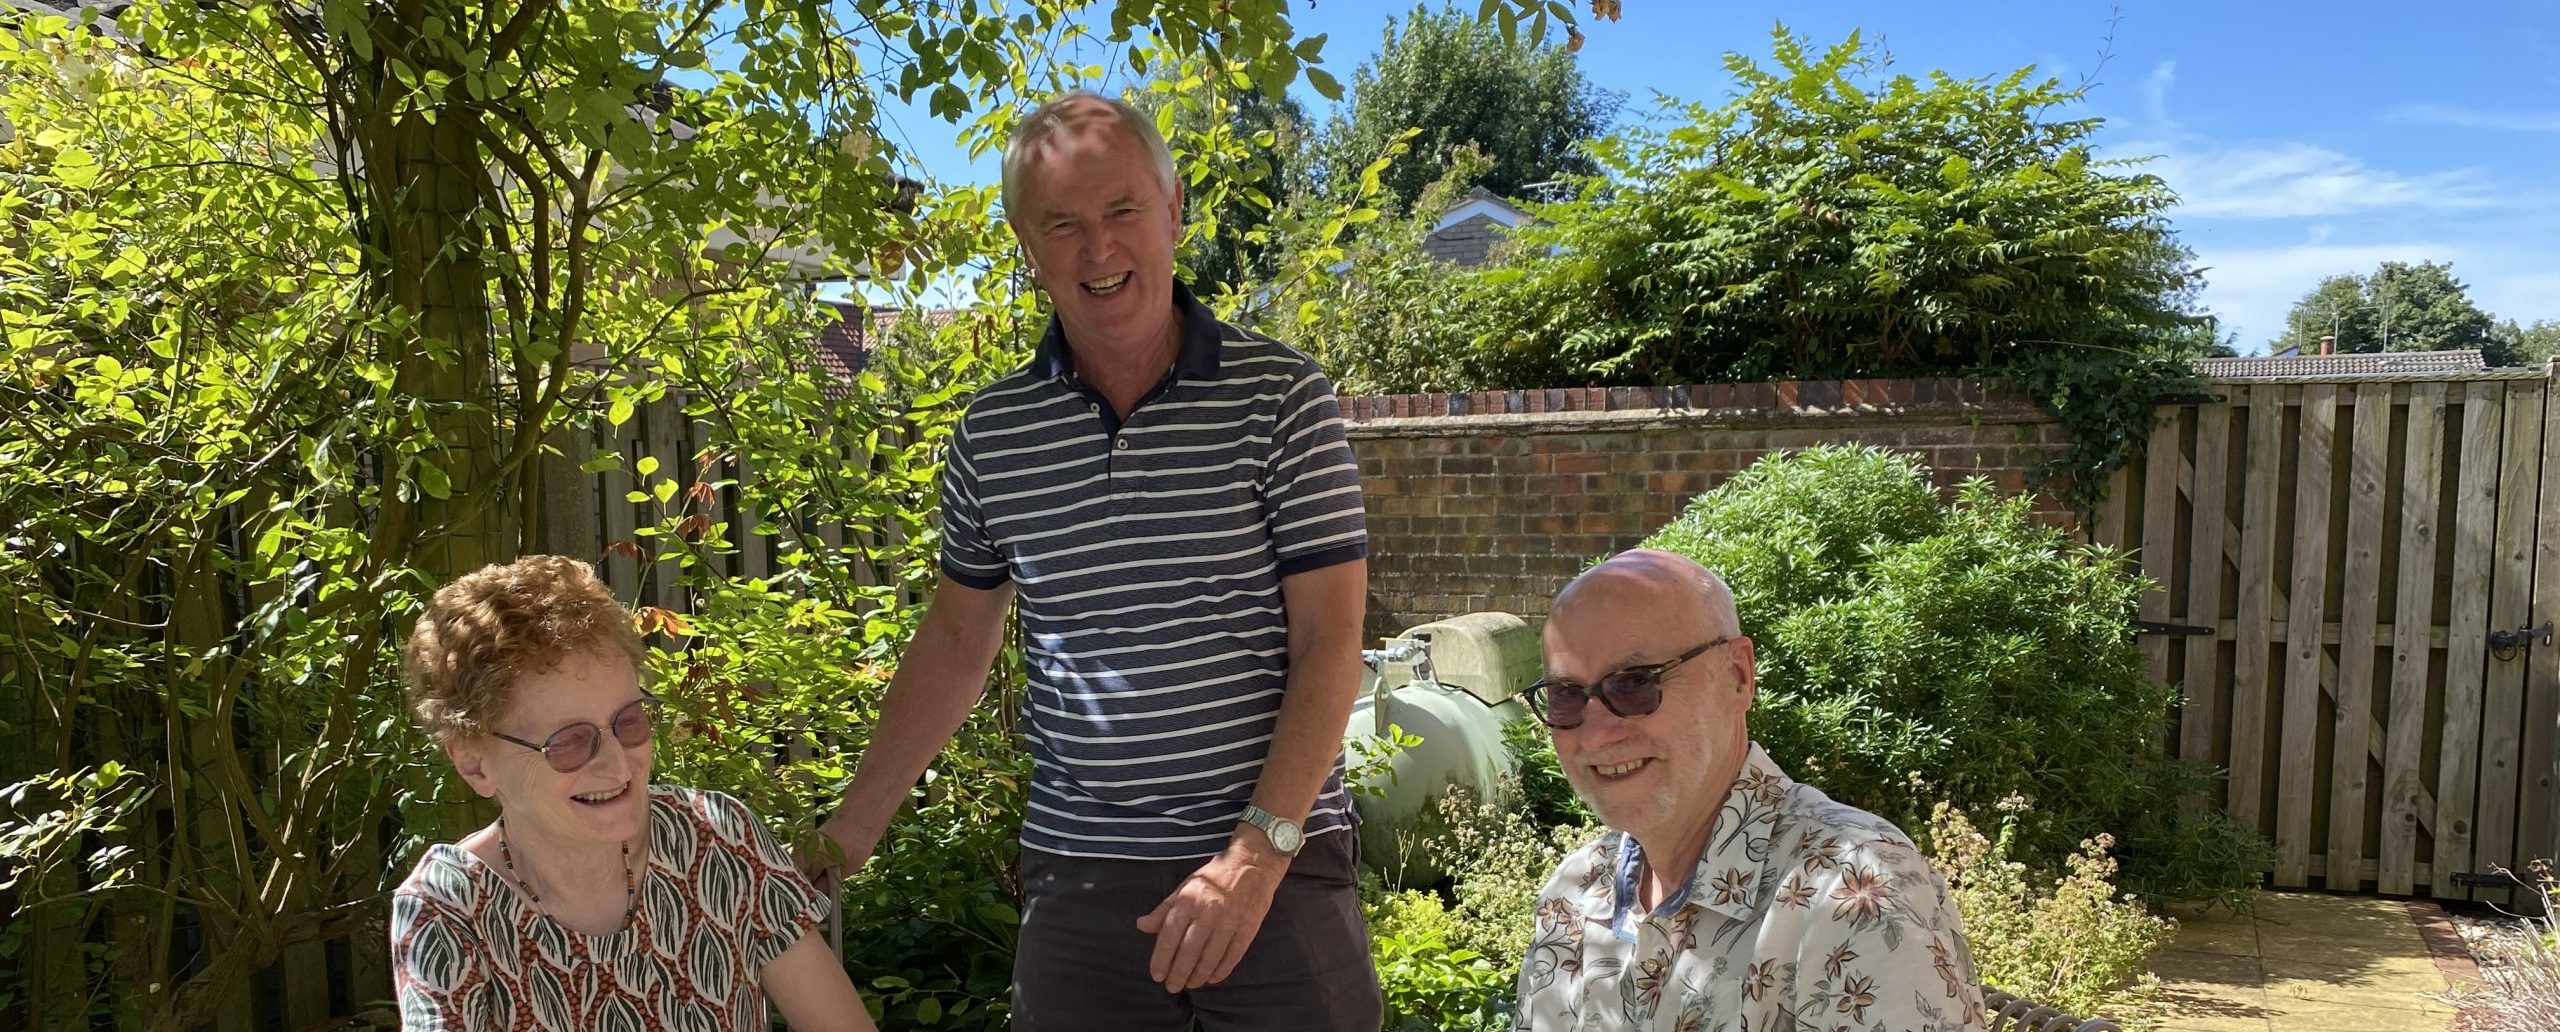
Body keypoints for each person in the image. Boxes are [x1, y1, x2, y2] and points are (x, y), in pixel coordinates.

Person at [806, 90, 1379, 1032]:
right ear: (1027, 246)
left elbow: (1332, 639)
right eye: (1061, 225)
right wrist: (848, 832)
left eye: (1121, 211)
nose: (1098, 248)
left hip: (1275, 856)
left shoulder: (1282, 399)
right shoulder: (993, 436)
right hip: (1082, 874)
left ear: (1173, 210)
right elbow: (955, 642)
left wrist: (1254, 856)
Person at [388, 555, 874, 1031]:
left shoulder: (716, 839)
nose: (618, 764)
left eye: (630, 720)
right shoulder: (447, 912)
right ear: (474, 763)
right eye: (570, 742)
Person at [1512, 550, 1986, 1032]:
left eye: (1635, 684)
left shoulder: (1852, 888)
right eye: (1566, 694)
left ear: (1738, 676)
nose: (1594, 734)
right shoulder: (1577, 889)